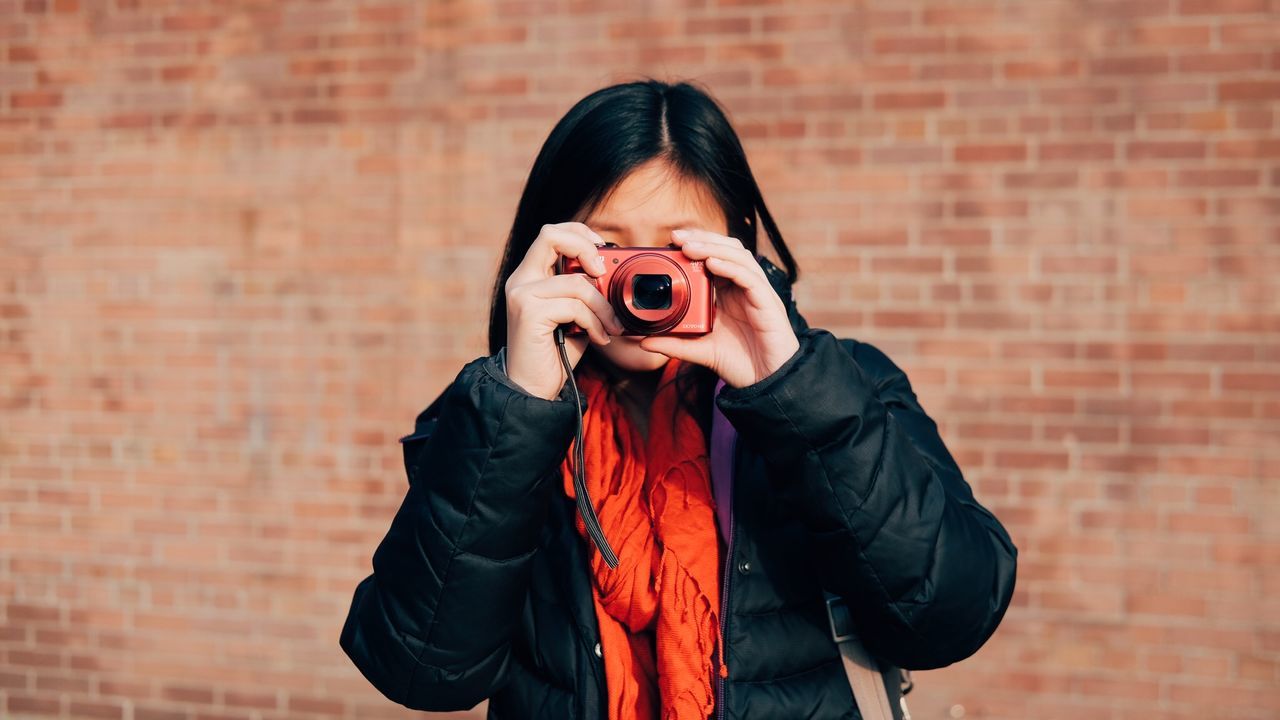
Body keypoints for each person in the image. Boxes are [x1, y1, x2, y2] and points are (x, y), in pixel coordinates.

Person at [340, 78, 1018, 720]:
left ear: (735, 244)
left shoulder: (843, 385)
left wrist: (793, 393)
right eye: (608, 245)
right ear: (548, 250)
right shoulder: (497, 416)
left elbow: (948, 618)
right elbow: (419, 672)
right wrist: (518, 410)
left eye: (675, 248)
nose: (644, 277)